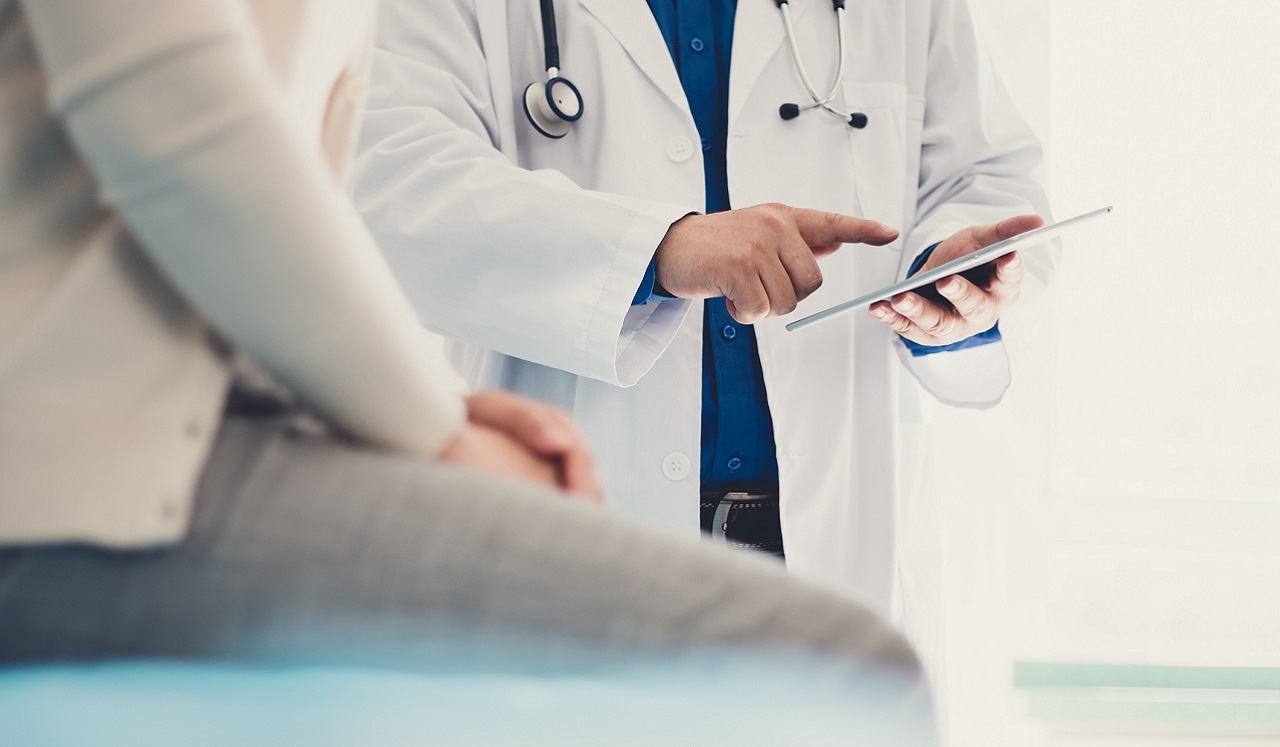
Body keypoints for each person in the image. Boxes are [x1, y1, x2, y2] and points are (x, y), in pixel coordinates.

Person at [0, 0, 932, 718]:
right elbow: (192, 140)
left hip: (250, 423)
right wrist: (433, 428)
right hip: (100, 468)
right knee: (850, 676)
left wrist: (425, 406)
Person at [351, 0, 1055, 611]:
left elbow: (985, 177)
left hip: (823, 552)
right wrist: (658, 250)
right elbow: (390, 176)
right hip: (573, 559)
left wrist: (952, 278)